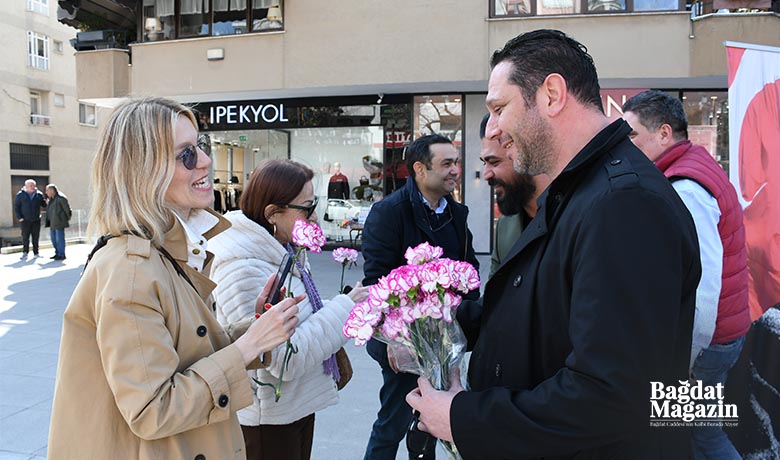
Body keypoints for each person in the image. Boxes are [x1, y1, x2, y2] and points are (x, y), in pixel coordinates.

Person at [406, 29, 700, 459]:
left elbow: (609, 395)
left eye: (499, 108)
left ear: (552, 95)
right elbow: (538, 305)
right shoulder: (581, 190)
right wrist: (431, 326)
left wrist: (463, 418)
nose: (495, 128)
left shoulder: (624, 203)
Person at [48, 97, 302, 460]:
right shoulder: (132, 270)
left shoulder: (165, 252)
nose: (206, 160)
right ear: (144, 171)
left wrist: (255, 330)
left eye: (200, 146)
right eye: (186, 154)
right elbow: (152, 410)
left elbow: (184, 355)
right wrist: (248, 347)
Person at [210, 159, 368, 460]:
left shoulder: (280, 251)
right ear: (273, 213)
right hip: (267, 420)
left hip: (292, 409)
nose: (314, 216)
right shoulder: (244, 269)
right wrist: (345, 309)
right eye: (306, 209)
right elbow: (282, 359)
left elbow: (299, 322)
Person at [622, 90, 749, 459]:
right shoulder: (690, 166)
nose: (625, 144)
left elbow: (704, 286)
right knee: (700, 436)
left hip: (706, 345)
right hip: (718, 338)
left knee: (701, 439)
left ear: (664, 134)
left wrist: (685, 358)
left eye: (632, 134)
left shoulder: (686, 188)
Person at [361, 134, 480, 460]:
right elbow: (376, 284)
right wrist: (395, 340)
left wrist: (465, 318)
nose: (455, 170)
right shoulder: (389, 213)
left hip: (447, 337)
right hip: (404, 341)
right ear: (419, 169)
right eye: (446, 163)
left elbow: (470, 271)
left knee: (434, 427)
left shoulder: (456, 213)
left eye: (456, 162)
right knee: (393, 423)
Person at [478, 113, 551, 277]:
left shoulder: (575, 219)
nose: (486, 174)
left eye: (494, 162)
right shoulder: (505, 227)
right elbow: (495, 290)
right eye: (484, 163)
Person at [13, 179, 46, 259]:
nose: (32, 187)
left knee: (36, 237)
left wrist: (46, 202)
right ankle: (25, 252)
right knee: (25, 237)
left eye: (33, 185)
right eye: (30, 185)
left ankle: (36, 253)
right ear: (26, 186)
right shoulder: (20, 195)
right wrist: (19, 217)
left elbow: (43, 204)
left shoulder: (39, 194)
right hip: (25, 220)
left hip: (36, 219)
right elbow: (16, 207)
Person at [44, 184, 72, 260]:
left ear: (52, 191)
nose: (46, 192)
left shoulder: (61, 198)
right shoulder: (51, 199)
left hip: (59, 222)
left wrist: (65, 219)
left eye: (47, 190)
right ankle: (57, 253)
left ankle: (61, 254)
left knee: (59, 239)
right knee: (54, 239)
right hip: (52, 222)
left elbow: (67, 210)